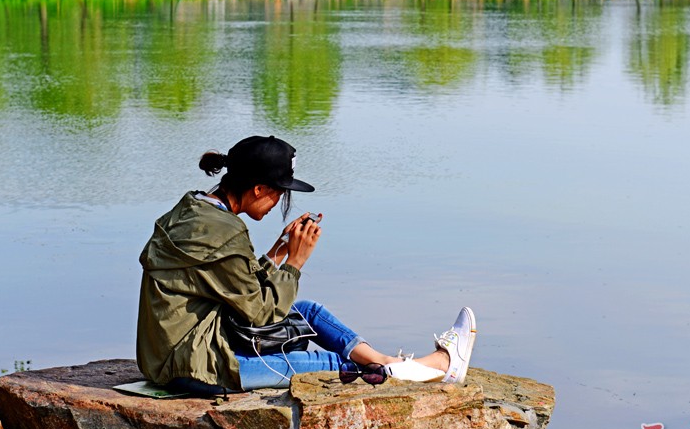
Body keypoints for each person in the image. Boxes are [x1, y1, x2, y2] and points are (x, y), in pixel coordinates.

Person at [136, 135, 476, 394]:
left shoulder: (194, 212)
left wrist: (277, 253)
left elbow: (227, 283)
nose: (279, 202)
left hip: (173, 352)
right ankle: (436, 366)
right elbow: (260, 313)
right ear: (259, 189)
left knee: (308, 312)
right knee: (334, 364)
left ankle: (393, 362)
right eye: (280, 192)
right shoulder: (223, 232)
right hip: (198, 366)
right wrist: (295, 262)